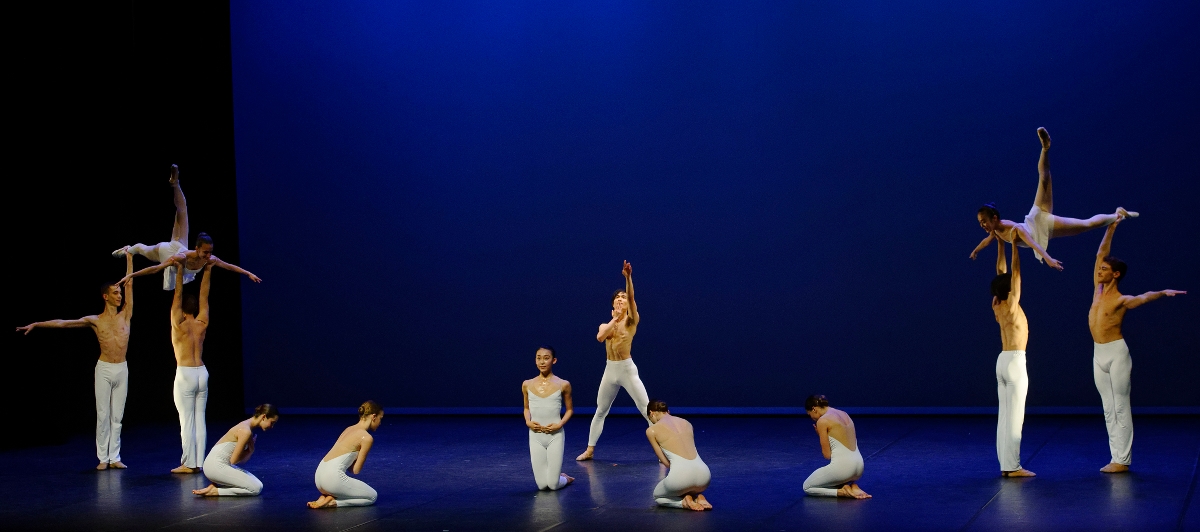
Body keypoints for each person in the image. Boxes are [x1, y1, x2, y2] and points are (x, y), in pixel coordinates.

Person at [15, 253, 134, 470]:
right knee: (103, 414)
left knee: (117, 416)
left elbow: (130, 281)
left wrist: (129, 256)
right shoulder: (95, 321)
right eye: (115, 293)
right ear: (105, 297)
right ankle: (103, 458)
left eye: (120, 292)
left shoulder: (125, 314)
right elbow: (63, 323)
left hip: (122, 369)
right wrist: (37, 324)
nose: (120, 296)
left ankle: (115, 456)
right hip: (104, 369)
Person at [1088, 217, 1185, 473]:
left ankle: (1123, 460)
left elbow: (1143, 297)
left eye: (1104, 269)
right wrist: (1112, 226)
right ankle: (1115, 457)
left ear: (1116, 274)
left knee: (1121, 405)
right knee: (1108, 408)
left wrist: (1162, 293)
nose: (1099, 271)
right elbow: (1100, 253)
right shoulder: (1097, 291)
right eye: (1099, 269)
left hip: (1116, 353)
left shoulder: (1121, 300)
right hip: (1098, 354)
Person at [971, 127, 1136, 270]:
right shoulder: (996, 231)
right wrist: (976, 250)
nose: (982, 225)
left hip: (1042, 225)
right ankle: (1045, 149)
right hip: (1035, 217)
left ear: (994, 218)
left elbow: (1033, 243)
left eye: (984, 221)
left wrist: (1048, 258)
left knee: (1086, 224)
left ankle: (1117, 215)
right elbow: (987, 240)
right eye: (980, 223)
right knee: (1044, 178)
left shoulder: (1012, 229)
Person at [113, 164, 262, 290]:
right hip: (167, 251)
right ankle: (129, 249)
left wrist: (248, 273)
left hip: (180, 244)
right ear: (197, 249)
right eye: (205, 252)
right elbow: (156, 269)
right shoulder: (182, 257)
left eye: (210, 252)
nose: (208, 256)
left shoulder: (209, 259)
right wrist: (132, 275)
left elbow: (229, 266)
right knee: (142, 249)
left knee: (183, 211)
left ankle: (175, 184)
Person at [577, 261, 651, 461]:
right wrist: (614, 319)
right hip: (610, 370)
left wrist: (628, 278)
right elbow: (600, 337)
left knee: (646, 409)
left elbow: (632, 298)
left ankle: (664, 451)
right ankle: (590, 450)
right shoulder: (606, 324)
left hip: (627, 369)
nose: (620, 299)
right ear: (612, 304)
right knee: (601, 410)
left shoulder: (632, 321)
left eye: (623, 297)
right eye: (617, 297)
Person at [990, 235, 1035, 477]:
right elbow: (1014, 274)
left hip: (1002, 361)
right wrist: (1015, 247)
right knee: (1015, 417)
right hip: (1015, 362)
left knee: (1004, 417)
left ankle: (1005, 465)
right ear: (1010, 289)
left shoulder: (998, 305)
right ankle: (1013, 467)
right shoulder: (1013, 306)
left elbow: (1002, 273)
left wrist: (1000, 243)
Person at [170, 261, 214, 474]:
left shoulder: (178, 325)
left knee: (187, 421)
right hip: (202, 373)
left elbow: (177, 295)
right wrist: (208, 270)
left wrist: (179, 270)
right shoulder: (202, 323)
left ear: (181, 310)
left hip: (186, 374)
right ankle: (199, 462)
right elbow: (204, 295)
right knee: (200, 419)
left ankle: (189, 464)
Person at [309, 401, 385, 508]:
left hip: (318, 477)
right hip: (332, 479)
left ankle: (327, 495)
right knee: (372, 496)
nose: (380, 423)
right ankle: (334, 502)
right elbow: (355, 470)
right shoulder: (367, 438)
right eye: (380, 418)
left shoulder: (348, 429)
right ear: (373, 417)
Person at [192, 404, 279, 496]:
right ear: (264, 417)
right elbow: (234, 461)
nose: (272, 426)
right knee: (256, 488)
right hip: (215, 466)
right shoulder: (246, 431)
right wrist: (249, 451)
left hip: (218, 465)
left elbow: (240, 461)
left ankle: (217, 487)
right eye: (272, 422)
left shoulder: (247, 426)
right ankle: (215, 491)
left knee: (257, 484)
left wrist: (250, 451)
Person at [522, 346, 575, 491]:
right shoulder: (527, 384)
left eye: (546, 358)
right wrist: (528, 422)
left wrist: (560, 424)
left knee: (553, 485)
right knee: (541, 486)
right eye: (538, 358)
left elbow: (570, 410)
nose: (542, 362)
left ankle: (565, 478)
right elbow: (526, 408)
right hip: (536, 436)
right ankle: (555, 475)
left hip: (555, 435)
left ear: (554, 360)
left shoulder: (563, 384)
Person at [645, 399, 711, 511]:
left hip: (681, 477)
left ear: (651, 413)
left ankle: (683, 503)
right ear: (668, 411)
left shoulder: (652, 430)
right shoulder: (687, 423)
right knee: (686, 486)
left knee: (658, 496)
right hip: (704, 476)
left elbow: (666, 463)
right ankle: (697, 497)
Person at [801, 395, 870, 499]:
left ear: (814, 409)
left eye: (809, 414)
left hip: (844, 469)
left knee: (807, 487)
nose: (811, 418)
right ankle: (852, 485)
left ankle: (842, 492)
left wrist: (820, 434)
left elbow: (827, 455)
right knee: (833, 478)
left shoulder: (822, 421)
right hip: (859, 467)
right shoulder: (844, 414)